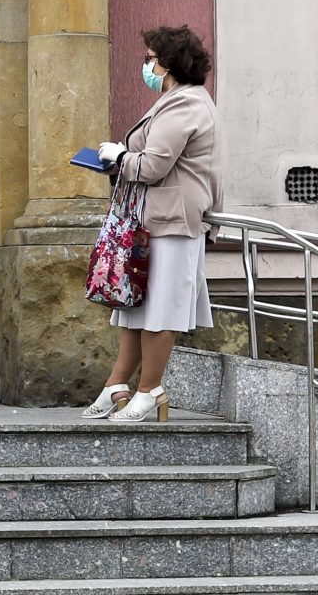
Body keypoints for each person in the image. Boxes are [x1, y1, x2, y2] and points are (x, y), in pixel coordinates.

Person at [87, 24, 221, 425]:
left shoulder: (186, 105)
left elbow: (153, 166)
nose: (146, 64)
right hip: (151, 220)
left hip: (174, 223)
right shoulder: (175, 100)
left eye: (150, 58)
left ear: (168, 63)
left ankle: (150, 391)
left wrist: (119, 156)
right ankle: (117, 385)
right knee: (134, 308)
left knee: (161, 310)